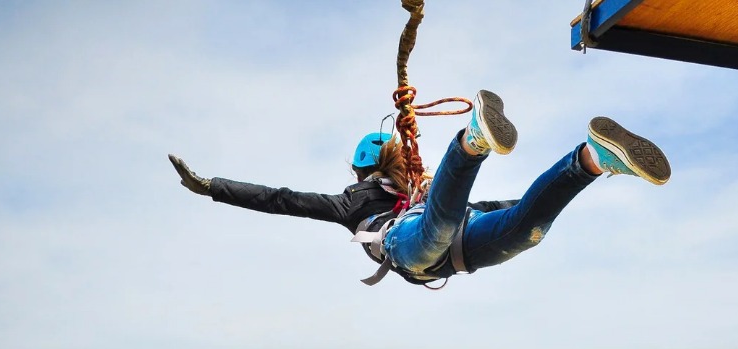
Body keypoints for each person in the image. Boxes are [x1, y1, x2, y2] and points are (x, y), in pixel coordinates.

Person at [168, 90, 670, 286]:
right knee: (446, 220)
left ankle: (590, 159)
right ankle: (474, 143)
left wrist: (528, 205)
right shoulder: (354, 203)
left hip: (443, 240)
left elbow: (479, 206)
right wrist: (212, 186)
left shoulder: (421, 193)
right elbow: (278, 200)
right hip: (414, 244)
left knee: (526, 232)